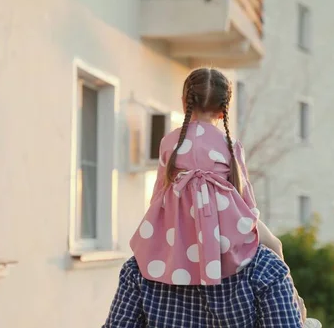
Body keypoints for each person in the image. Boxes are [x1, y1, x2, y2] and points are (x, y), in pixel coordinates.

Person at [103, 68, 320, 327]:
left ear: (185, 102)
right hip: (227, 221)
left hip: (179, 224)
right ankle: (295, 303)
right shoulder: (229, 144)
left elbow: (159, 194)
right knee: (275, 245)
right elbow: (246, 200)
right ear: (223, 110)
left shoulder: (170, 143)